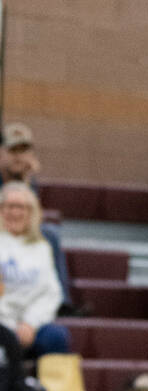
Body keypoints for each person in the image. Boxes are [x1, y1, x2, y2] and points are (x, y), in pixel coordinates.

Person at [0, 123, 74, 314]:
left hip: (19, 230)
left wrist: (27, 178)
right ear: (2, 153)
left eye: (23, 150)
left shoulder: (28, 180)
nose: (18, 156)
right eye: (13, 150)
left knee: (50, 235)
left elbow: (33, 216)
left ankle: (62, 303)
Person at [0, 182, 70, 358]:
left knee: (57, 336)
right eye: (10, 206)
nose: (15, 212)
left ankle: (48, 385)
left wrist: (30, 323)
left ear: (32, 212)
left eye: (22, 207)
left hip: (30, 325)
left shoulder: (42, 247)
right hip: (1, 321)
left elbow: (51, 293)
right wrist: (7, 326)